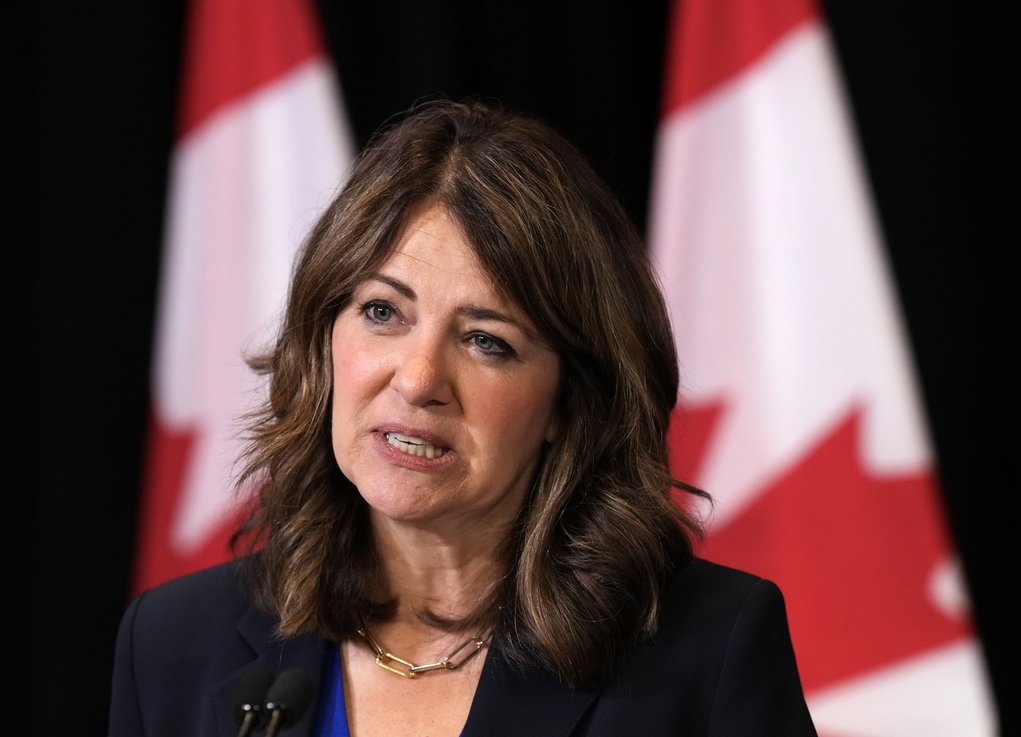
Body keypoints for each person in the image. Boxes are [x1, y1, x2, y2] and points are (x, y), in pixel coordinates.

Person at [109, 97, 817, 737]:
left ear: (569, 404)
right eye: (382, 312)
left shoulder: (707, 653)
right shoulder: (174, 646)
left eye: (487, 341)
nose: (418, 380)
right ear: (323, 342)